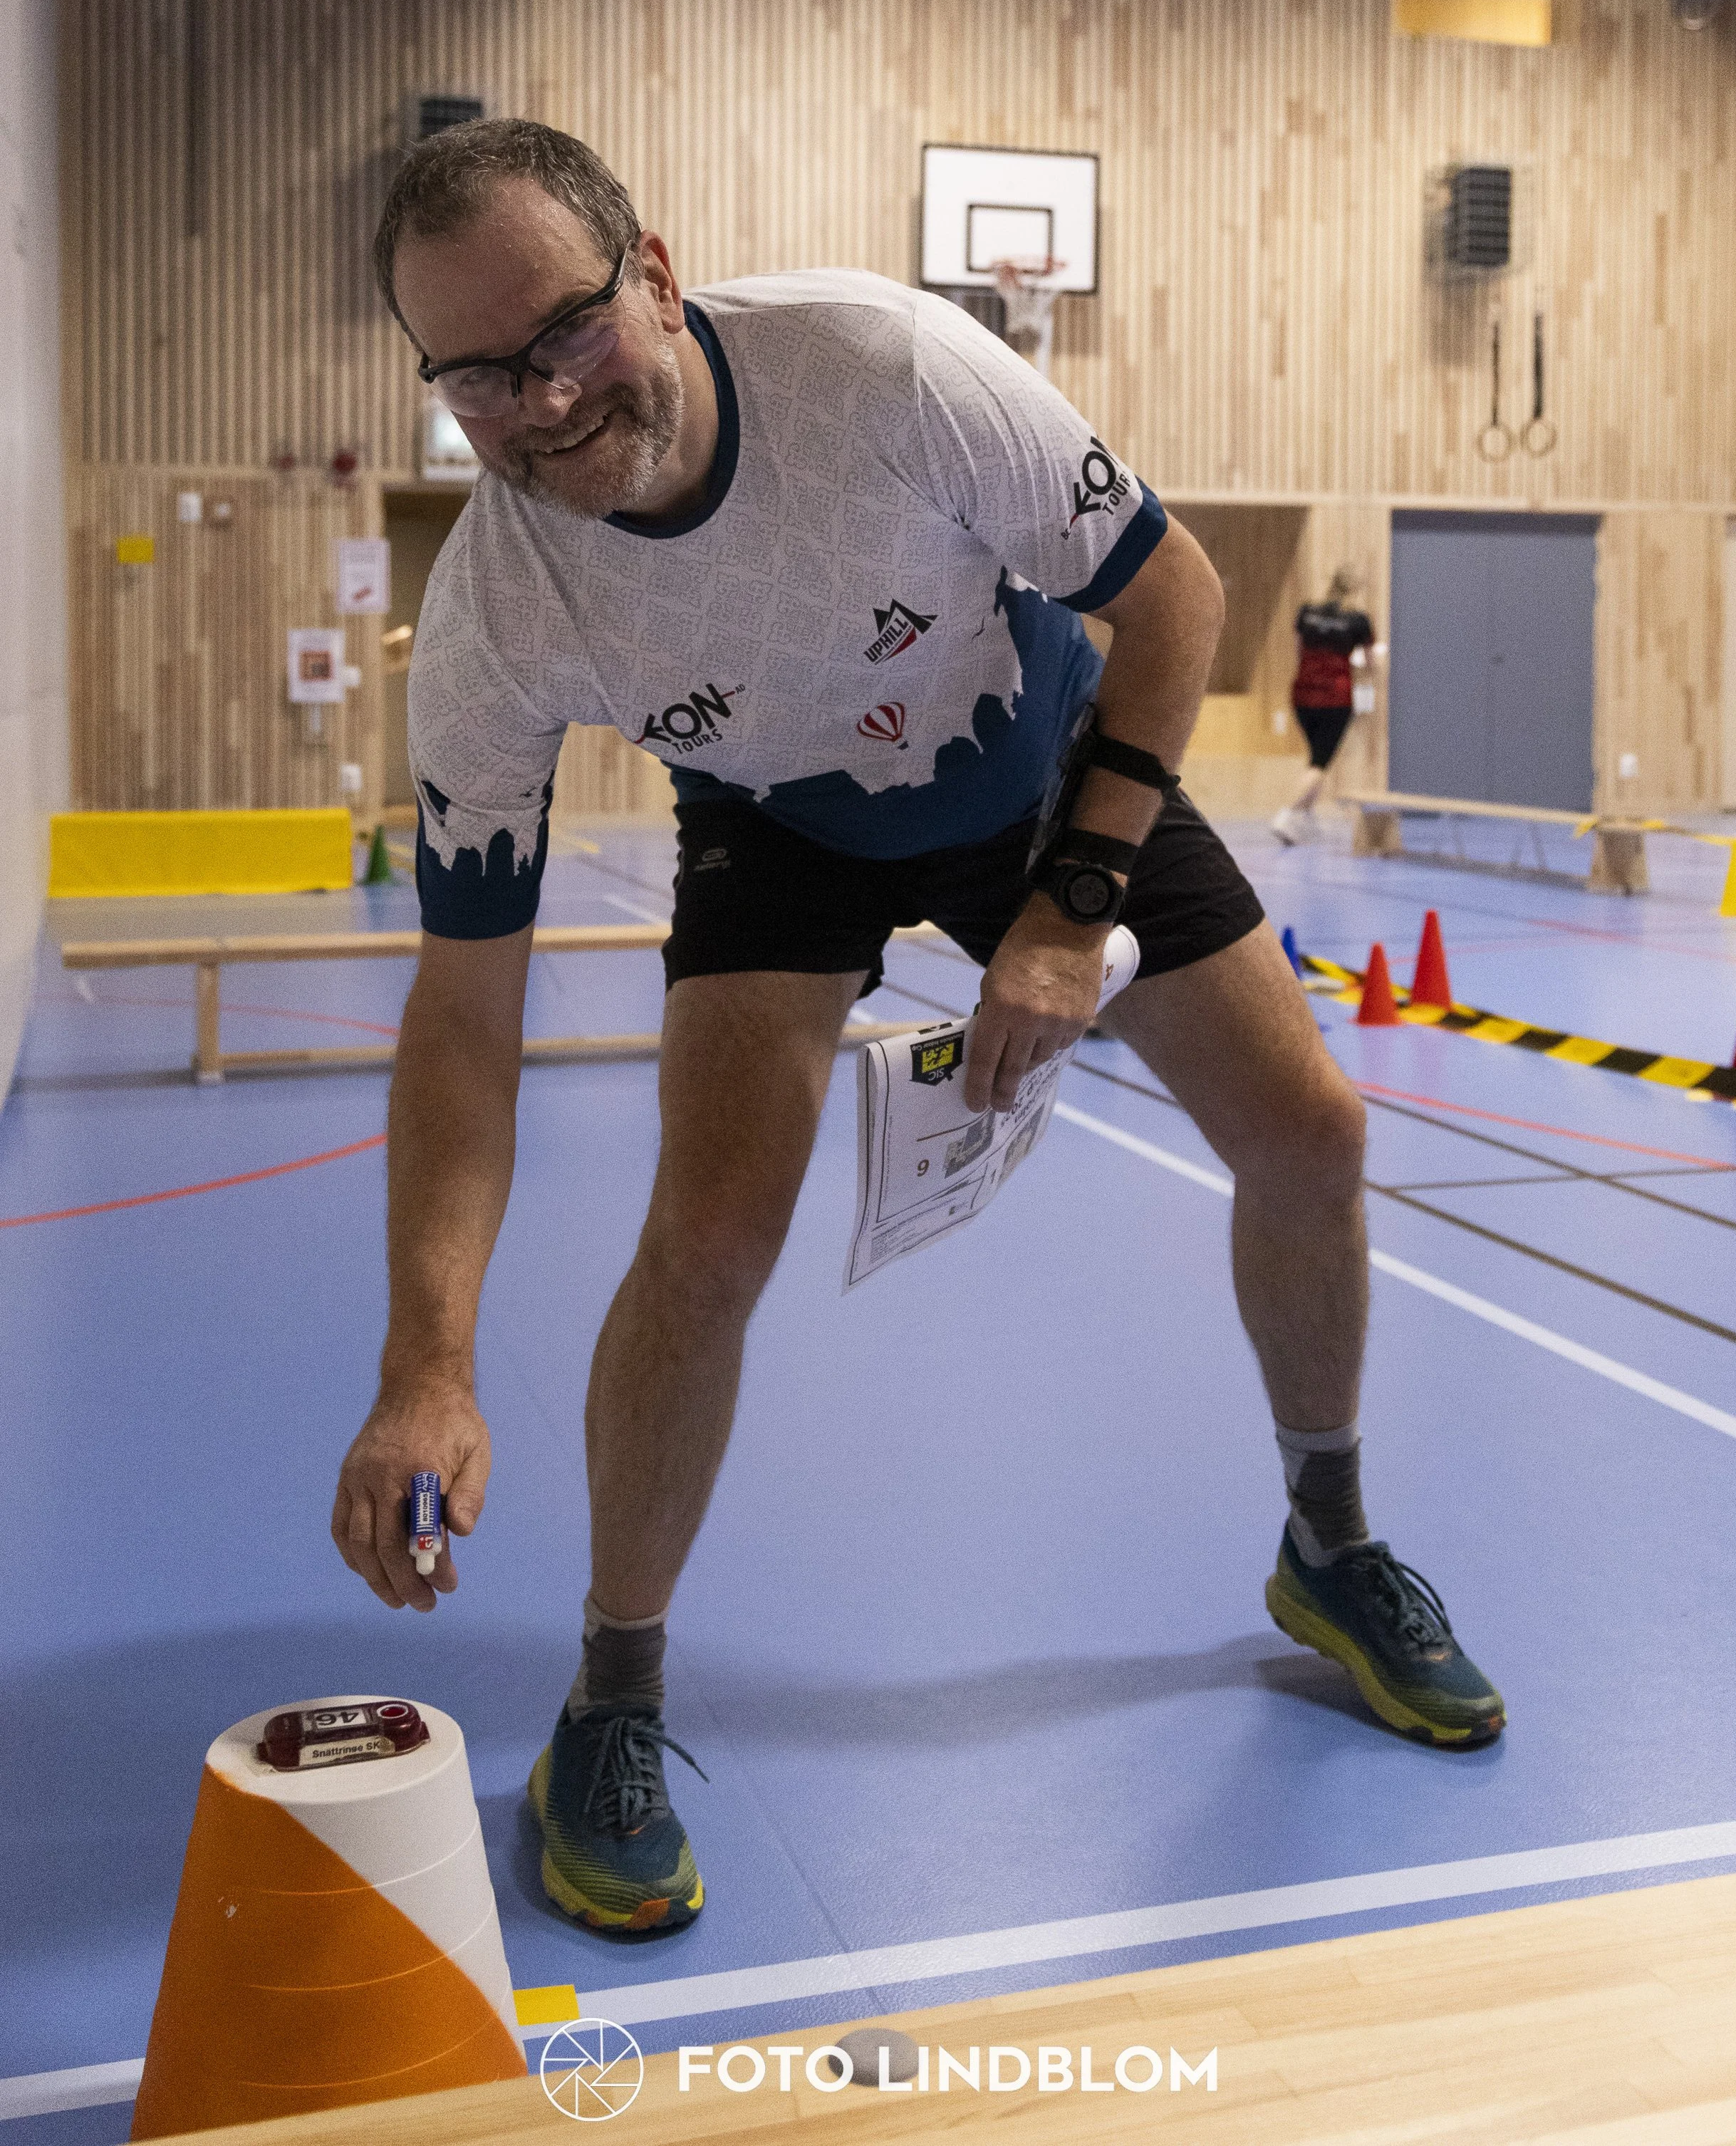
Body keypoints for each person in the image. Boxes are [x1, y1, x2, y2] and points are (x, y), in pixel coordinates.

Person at [331, 120, 1502, 1947]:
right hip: (781, 824)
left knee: (1315, 1135)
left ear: (655, 267)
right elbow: (464, 1015)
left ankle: (1331, 1545)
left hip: (1040, 770)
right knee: (705, 1243)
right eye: (474, 374)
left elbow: (1175, 589)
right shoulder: (498, 604)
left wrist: (1076, 904)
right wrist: (427, 1359)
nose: (538, 405)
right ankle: (611, 1702)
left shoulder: (879, 366)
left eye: (560, 332)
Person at [1272, 571, 1376, 846]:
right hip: (1335, 699)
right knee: (1320, 762)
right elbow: (1369, 664)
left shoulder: (1307, 613)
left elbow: (1299, 653)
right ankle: (1288, 813)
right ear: (1355, 590)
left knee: (1315, 760)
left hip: (1303, 695)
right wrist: (1349, 665)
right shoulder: (1358, 621)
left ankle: (1303, 820)